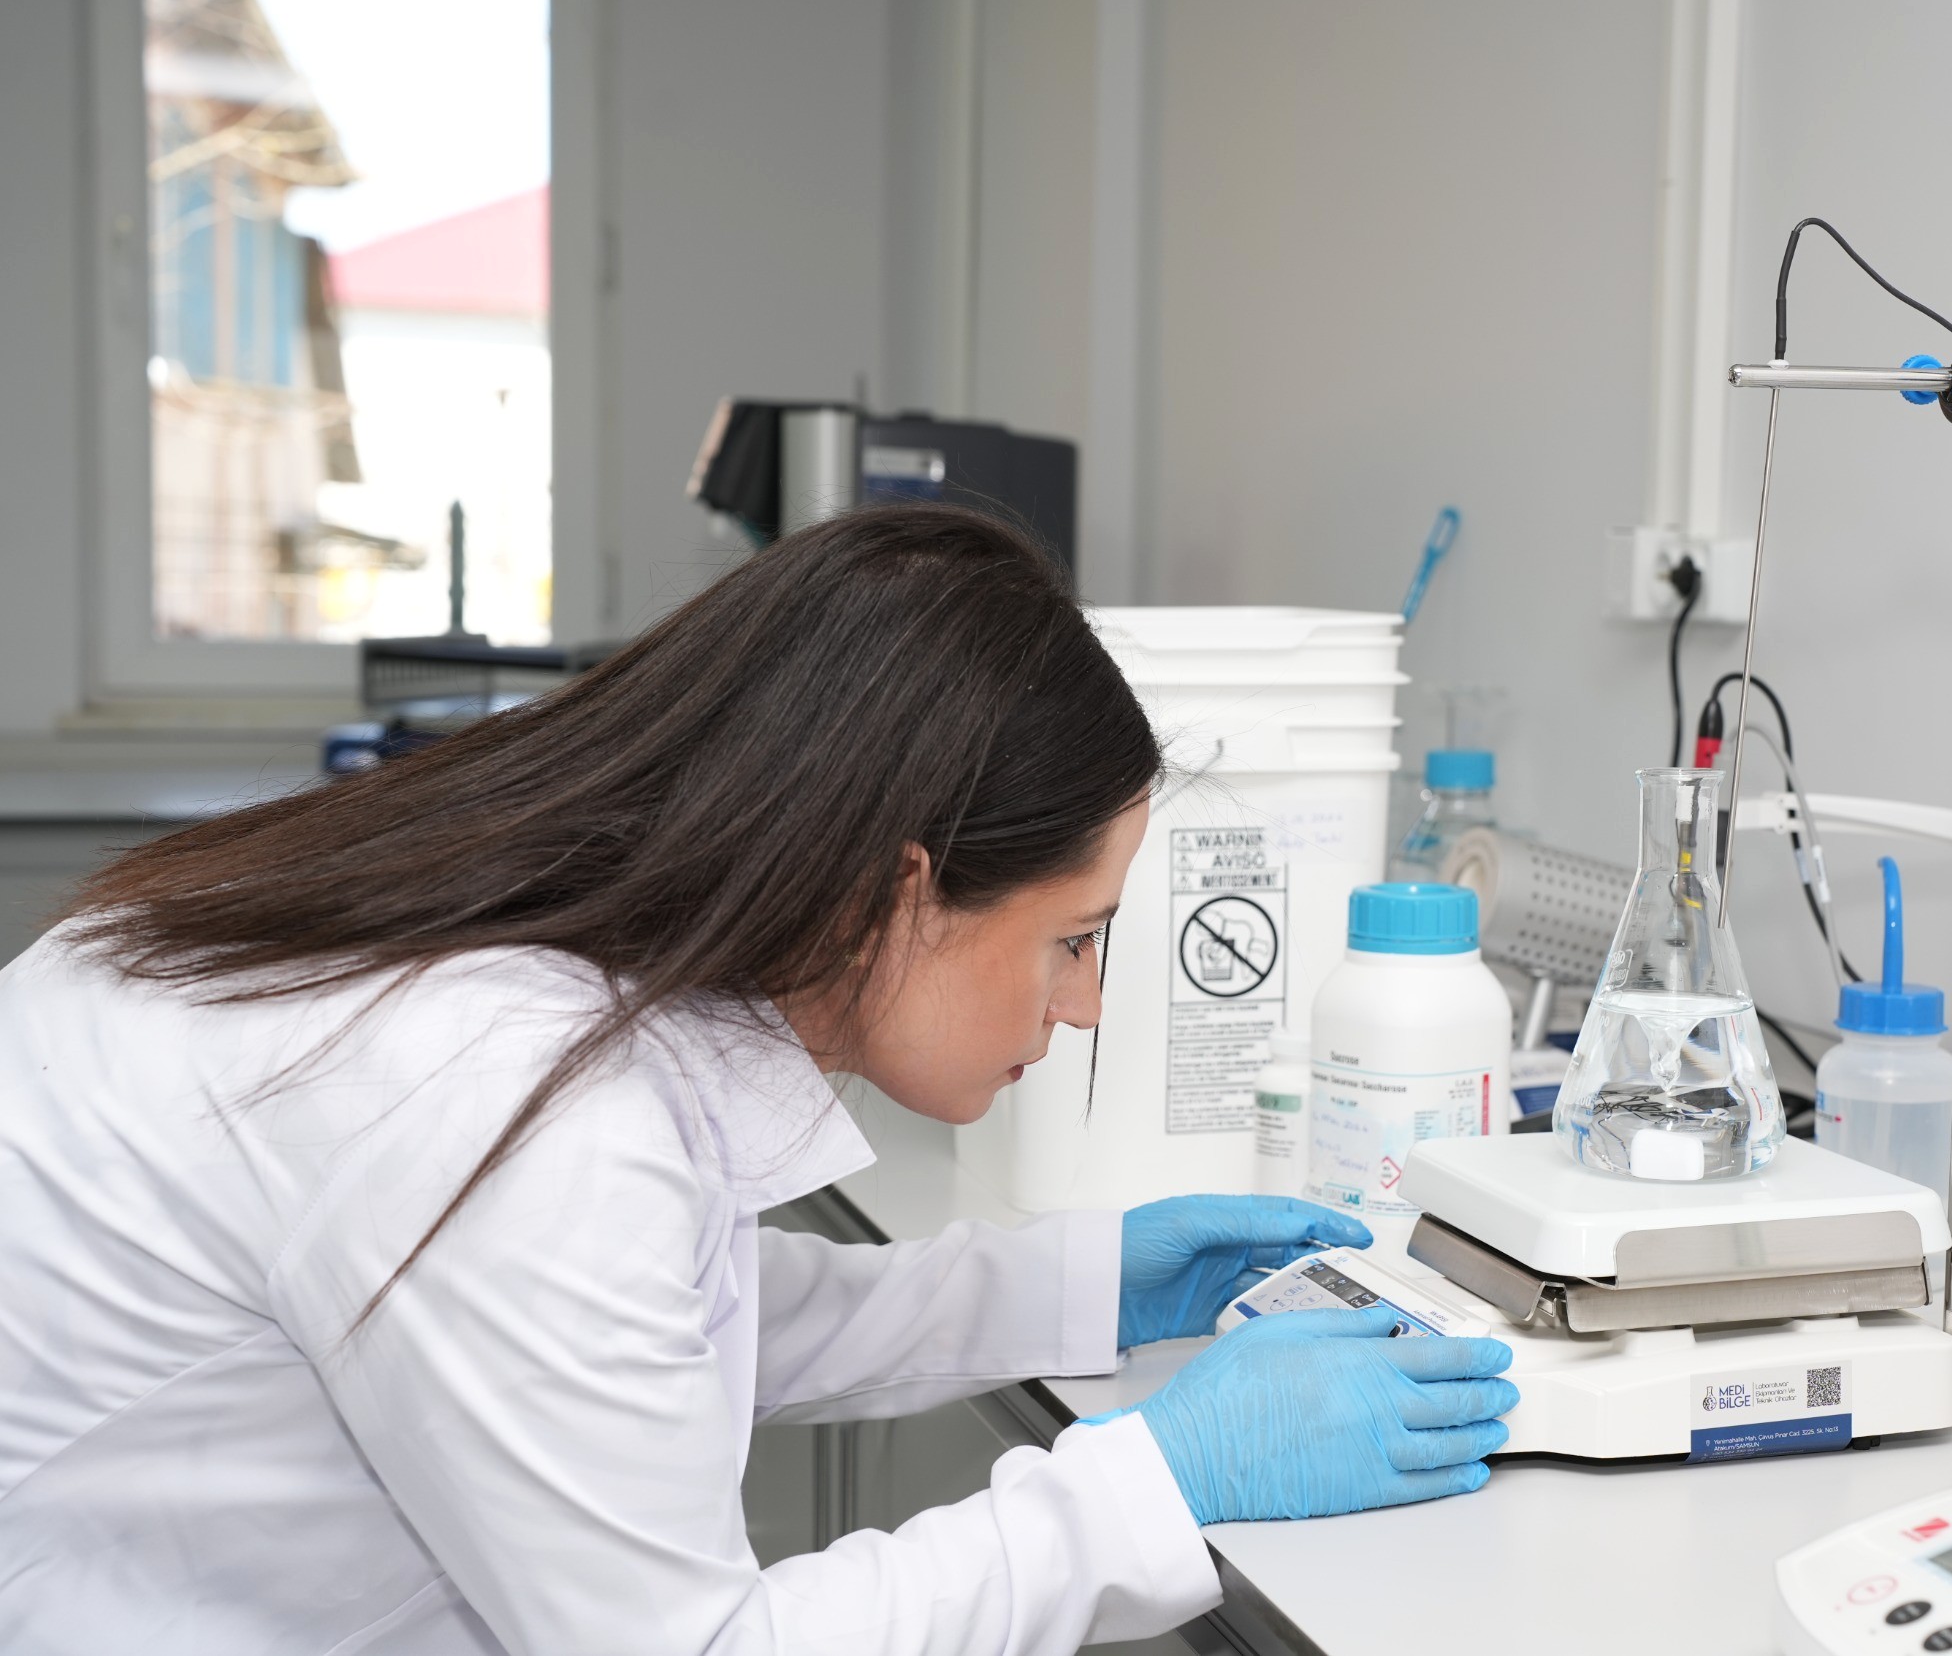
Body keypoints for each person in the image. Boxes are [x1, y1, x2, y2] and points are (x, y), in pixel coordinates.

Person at [0, 507, 1516, 1656]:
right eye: (1072, 938)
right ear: (897, 890)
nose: (1086, 1003)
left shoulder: (532, 970)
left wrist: (1081, 1284)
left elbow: (638, 1318)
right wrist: (1166, 1480)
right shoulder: (492, 1088)